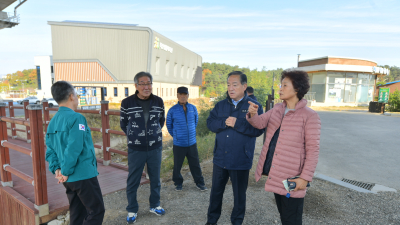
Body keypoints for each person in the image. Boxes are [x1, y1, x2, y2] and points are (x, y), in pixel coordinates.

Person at [246, 70, 321, 225]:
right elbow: (260, 123)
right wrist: (253, 114)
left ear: (297, 89)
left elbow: (313, 150)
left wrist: (305, 178)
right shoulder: (278, 109)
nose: (280, 88)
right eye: (281, 85)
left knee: (291, 219)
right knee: (284, 216)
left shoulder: (309, 116)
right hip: (277, 174)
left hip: (293, 178)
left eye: (285, 85)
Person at [206, 71, 264, 225]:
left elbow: (258, 130)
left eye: (235, 84)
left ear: (244, 86)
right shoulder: (221, 105)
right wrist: (224, 122)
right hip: (220, 159)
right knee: (216, 193)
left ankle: (236, 222)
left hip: (240, 159)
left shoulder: (253, 106)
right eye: (228, 85)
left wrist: (237, 123)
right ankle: (211, 221)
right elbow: (210, 124)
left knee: (239, 195)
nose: (230, 88)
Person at [45, 81, 105, 225]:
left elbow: (50, 150)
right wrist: (64, 171)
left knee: (77, 213)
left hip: (68, 179)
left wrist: (57, 169)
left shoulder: (52, 122)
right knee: (96, 211)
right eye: (76, 95)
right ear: (72, 96)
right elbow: (74, 148)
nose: (77, 98)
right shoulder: (77, 118)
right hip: (82, 174)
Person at [120, 71, 166, 224]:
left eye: (149, 83)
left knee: (155, 179)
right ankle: (132, 209)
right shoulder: (127, 103)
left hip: (155, 147)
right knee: (133, 180)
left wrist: (152, 135)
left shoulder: (159, 101)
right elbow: (123, 123)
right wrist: (135, 136)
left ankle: (154, 205)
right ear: (136, 86)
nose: (147, 87)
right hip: (136, 149)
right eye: (143, 84)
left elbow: (161, 121)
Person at [166, 86, 207, 192]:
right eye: (181, 95)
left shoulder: (193, 108)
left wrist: (191, 134)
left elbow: (195, 122)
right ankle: (178, 183)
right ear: (177, 96)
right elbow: (169, 125)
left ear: (188, 95)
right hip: (179, 143)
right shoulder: (172, 110)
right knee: (177, 165)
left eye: (185, 95)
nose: (183, 97)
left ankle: (200, 183)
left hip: (192, 143)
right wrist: (177, 136)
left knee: (195, 164)